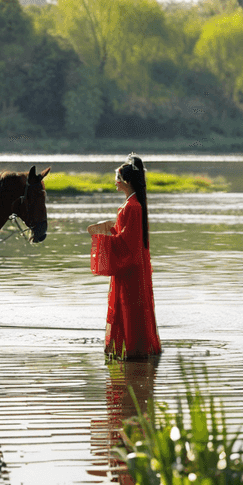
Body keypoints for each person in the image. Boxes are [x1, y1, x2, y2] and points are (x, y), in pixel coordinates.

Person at [88, 154, 161, 359]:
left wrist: (102, 238)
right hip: (131, 266)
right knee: (130, 307)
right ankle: (131, 349)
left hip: (130, 268)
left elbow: (128, 243)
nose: (116, 182)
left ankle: (134, 350)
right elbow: (125, 236)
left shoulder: (133, 206)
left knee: (131, 308)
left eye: (118, 179)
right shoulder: (133, 204)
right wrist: (110, 230)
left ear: (126, 181)